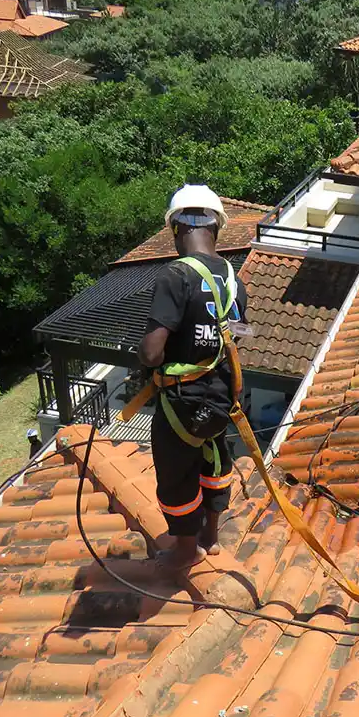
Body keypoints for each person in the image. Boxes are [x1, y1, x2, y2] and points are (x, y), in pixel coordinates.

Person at [138, 185, 248, 570]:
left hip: (181, 403)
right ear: (216, 227)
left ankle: (186, 549)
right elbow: (231, 336)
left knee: (175, 472)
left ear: (176, 228)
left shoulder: (175, 276)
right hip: (221, 396)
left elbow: (153, 351)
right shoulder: (234, 280)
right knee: (215, 459)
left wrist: (142, 357)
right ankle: (211, 537)